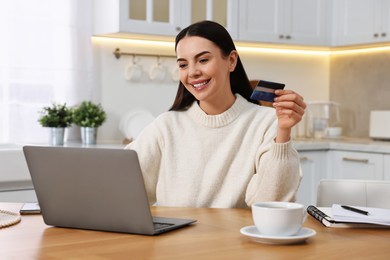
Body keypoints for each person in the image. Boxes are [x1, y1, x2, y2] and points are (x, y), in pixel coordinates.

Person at [125, 20, 306, 208]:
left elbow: (269, 203)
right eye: (183, 65)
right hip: (175, 237)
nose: (193, 72)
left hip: (235, 236)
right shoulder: (166, 126)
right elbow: (125, 186)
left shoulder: (266, 122)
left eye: (203, 60)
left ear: (231, 61)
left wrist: (283, 132)